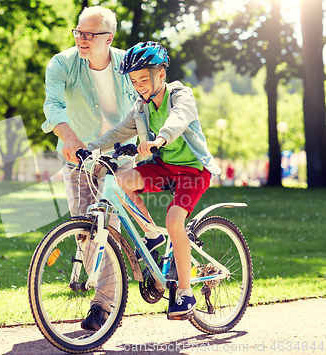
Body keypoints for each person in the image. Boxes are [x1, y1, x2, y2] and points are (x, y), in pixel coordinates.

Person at [87, 41, 221, 318]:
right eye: (134, 81)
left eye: (144, 79)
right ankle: (151, 235)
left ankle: (185, 294)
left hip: (193, 171)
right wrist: (89, 149)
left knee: (174, 221)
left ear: (161, 74)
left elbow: (179, 118)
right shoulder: (141, 108)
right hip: (164, 167)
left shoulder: (180, 95)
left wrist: (160, 139)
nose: (139, 85)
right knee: (119, 180)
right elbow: (118, 133)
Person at [41, 6, 137, 331]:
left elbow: (148, 102)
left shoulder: (129, 64)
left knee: (110, 229)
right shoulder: (62, 64)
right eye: (78, 31)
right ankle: (119, 290)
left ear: (108, 38)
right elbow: (52, 105)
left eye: (89, 34)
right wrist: (69, 136)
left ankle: (104, 306)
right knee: (85, 229)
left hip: (120, 158)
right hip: (78, 158)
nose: (81, 39)